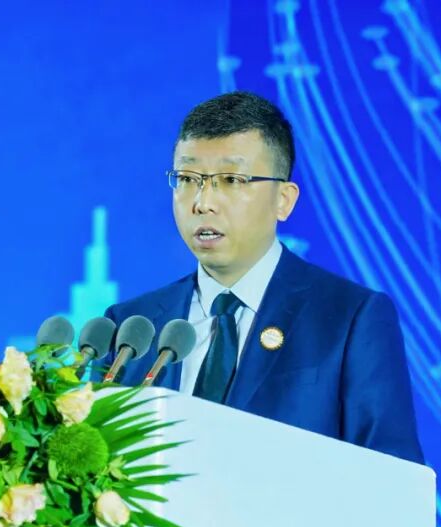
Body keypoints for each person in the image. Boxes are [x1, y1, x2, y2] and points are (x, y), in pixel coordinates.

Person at [103, 91, 424, 464]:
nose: (203, 202)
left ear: (283, 200)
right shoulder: (132, 328)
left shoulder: (349, 319)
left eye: (231, 179)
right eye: (188, 178)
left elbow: (393, 477)